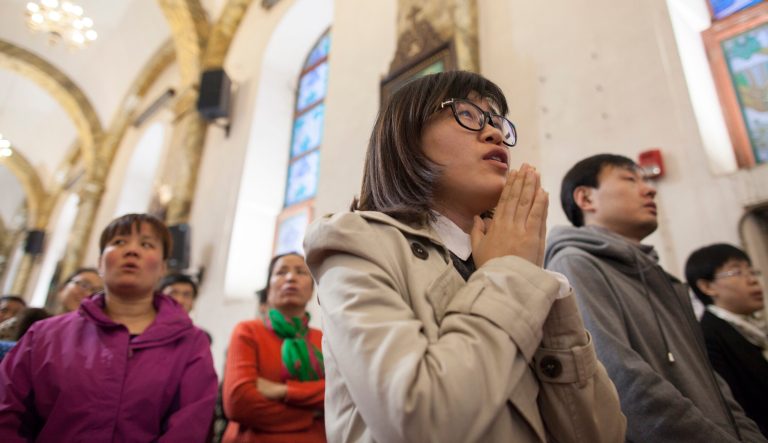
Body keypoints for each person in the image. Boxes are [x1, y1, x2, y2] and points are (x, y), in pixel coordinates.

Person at [304, 71, 625, 443]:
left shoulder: (511, 257)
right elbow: (422, 420)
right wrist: (511, 272)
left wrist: (544, 288)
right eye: (468, 114)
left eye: (497, 120)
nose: (495, 133)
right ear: (406, 137)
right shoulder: (356, 241)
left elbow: (602, 434)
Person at [545, 153, 765, 442]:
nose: (649, 189)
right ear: (586, 199)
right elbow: (622, 381)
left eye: (646, 180)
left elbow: (712, 385)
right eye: (630, 179)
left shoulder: (663, 280)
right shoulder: (575, 264)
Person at [0, 213, 218, 442]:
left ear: (162, 267)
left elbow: (189, 429)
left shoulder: (190, 344)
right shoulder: (44, 335)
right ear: (100, 263)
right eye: (119, 242)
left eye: (146, 244)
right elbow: (8, 416)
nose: (132, 251)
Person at [222, 252, 325, 443]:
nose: (290, 277)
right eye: (281, 272)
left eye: (301, 272)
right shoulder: (247, 331)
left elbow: (341, 394)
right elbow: (239, 403)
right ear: (269, 288)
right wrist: (311, 414)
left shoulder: (324, 340)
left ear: (312, 290)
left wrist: (283, 391)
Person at [686, 243, 767, 435]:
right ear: (707, 286)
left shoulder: (752, 331)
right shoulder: (709, 337)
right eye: (737, 272)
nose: (753, 280)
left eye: (752, 271)